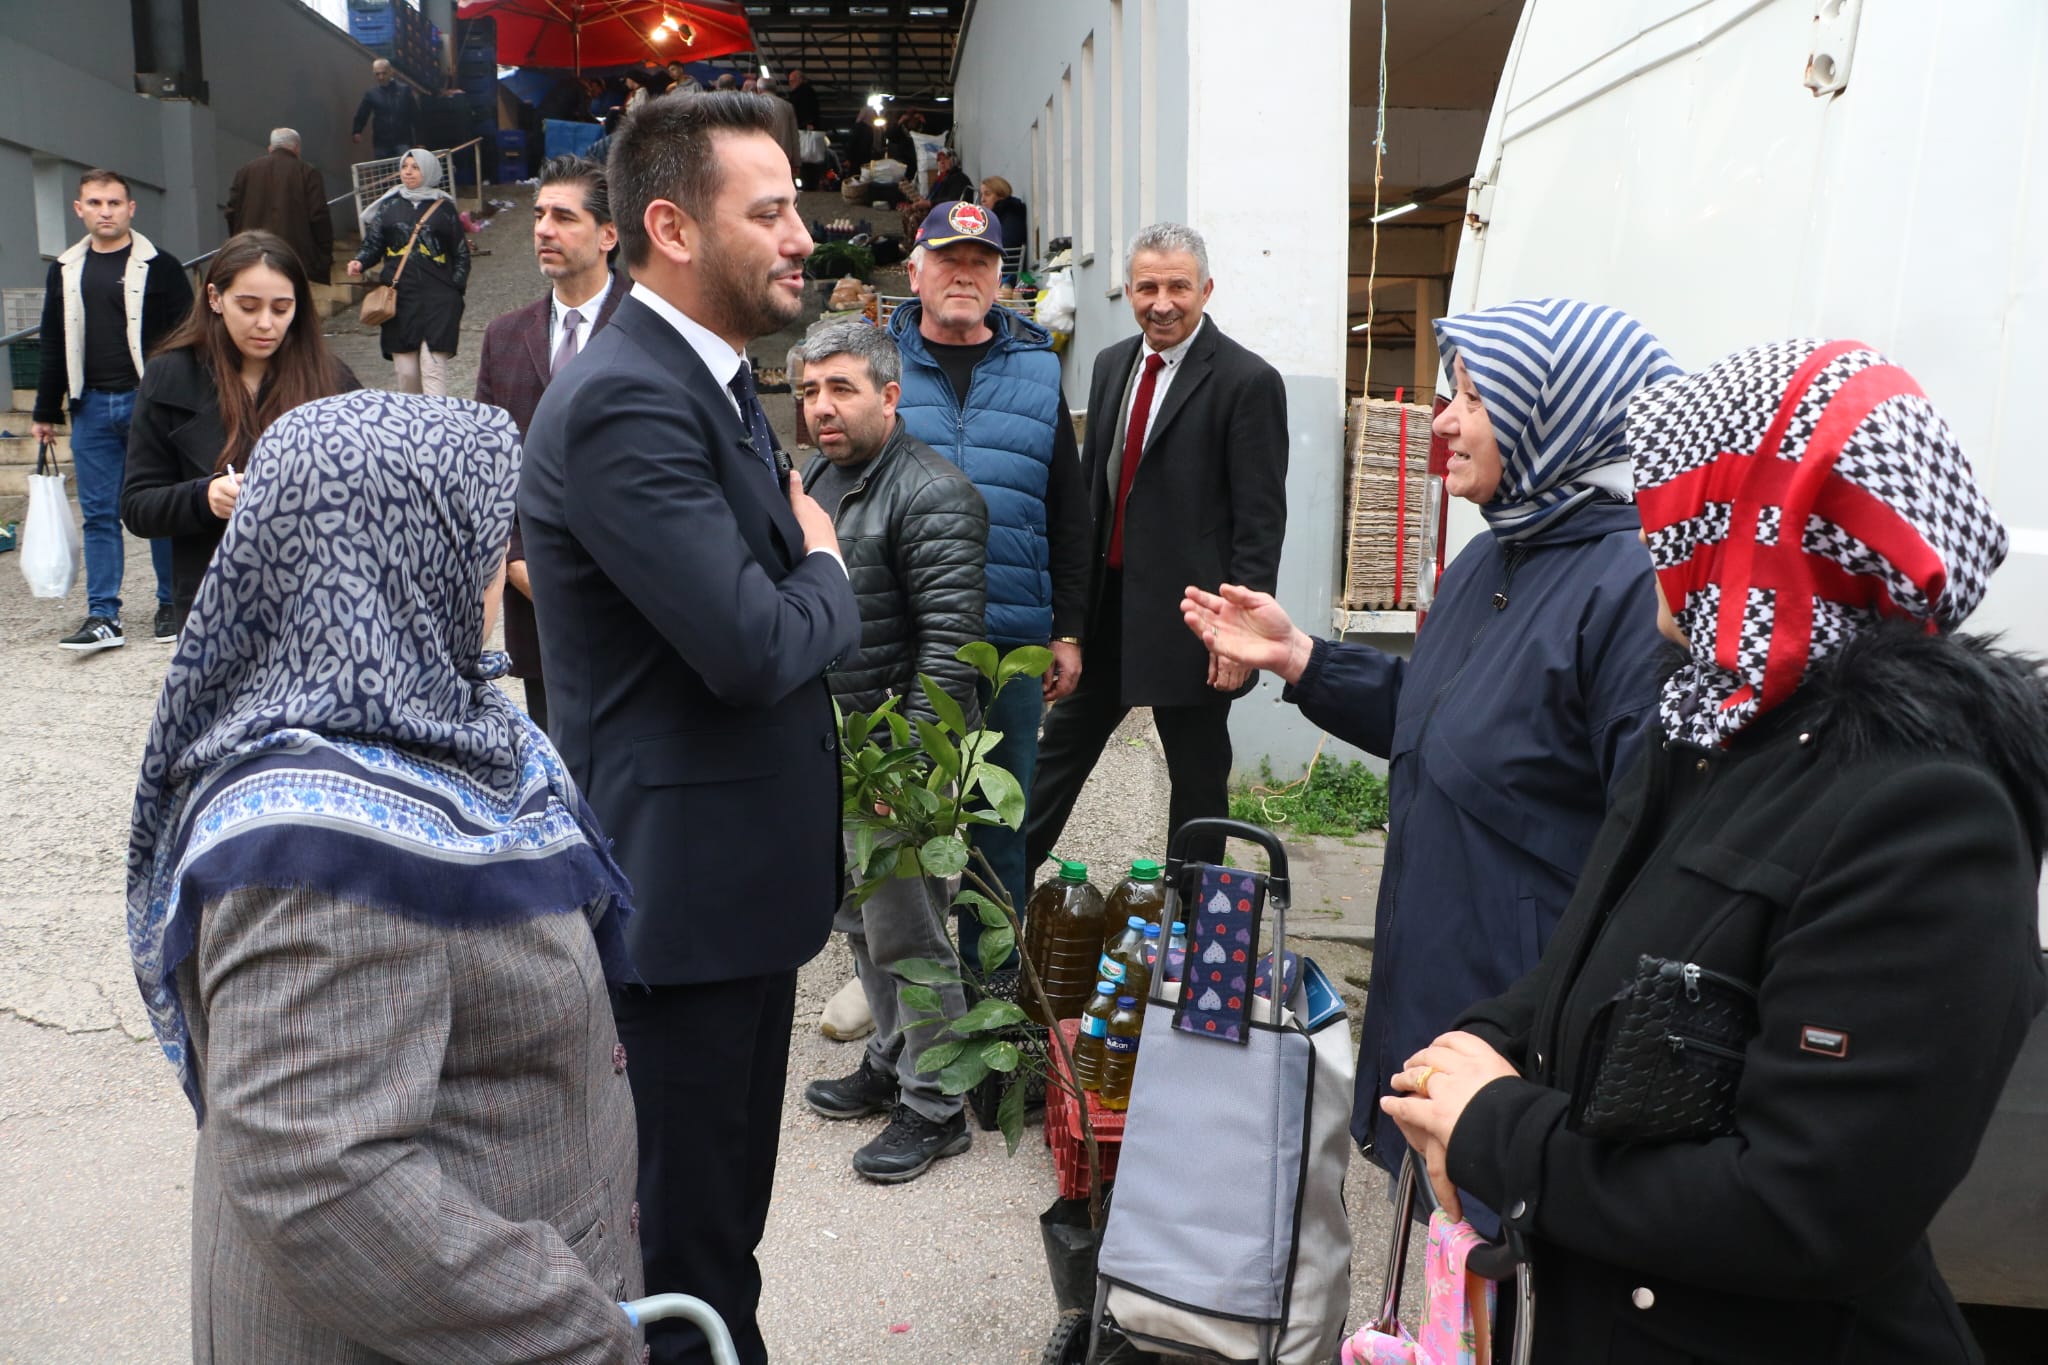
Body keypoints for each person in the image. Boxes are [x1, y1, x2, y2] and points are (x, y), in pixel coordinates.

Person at [1380, 339, 2048, 1364]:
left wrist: (1496, 1132)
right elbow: (1594, 961)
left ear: (1757, 532)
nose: (1647, 539)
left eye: (1671, 505)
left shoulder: (1925, 815)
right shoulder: (1713, 731)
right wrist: (1476, 1045)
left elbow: (1803, 1209)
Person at [127, 391, 645, 1362]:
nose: (500, 563)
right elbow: (320, 1180)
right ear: (393, 555)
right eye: (490, 531)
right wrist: (578, 1336)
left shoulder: (440, 734)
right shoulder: (312, 843)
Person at [1182, 298, 1681, 1202]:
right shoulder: (1496, 556)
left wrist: (1541, 1028)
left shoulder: (1630, 592)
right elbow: (1436, 719)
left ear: (1557, 412)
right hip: (1436, 979)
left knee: (1495, 1276)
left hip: (1519, 1017)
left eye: (1476, 399)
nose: (1443, 420)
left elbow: (1645, 847)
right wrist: (1298, 657)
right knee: (1435, 1252)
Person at [518, 91, 860, 1365]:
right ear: (668, 225)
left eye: (796, 208)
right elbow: (752, 646)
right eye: (766, 212)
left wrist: (799, 595)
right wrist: (824, 571)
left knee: (715, 1234)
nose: (802, 236)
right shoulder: (627, 399)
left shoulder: (702, 381)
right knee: (685, 1261)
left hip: (730, 902)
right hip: (679, 915)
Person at [1026, 223, 1287, 873]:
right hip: (1109, 615)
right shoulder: (1113, 364)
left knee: (1198, 791)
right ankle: (997, 907)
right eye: (1147, 286)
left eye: (1177, 286)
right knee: (1054, 764)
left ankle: (1191, 939)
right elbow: (1093, 497)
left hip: (1197, 624)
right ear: (1129, 291)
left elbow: (1259, 526)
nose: (1161, 302)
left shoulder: (1247, 382)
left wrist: (1238, 633)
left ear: (1206, 289)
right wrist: (1070, 623)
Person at [795, 320, 989, 1182]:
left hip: (898, 759)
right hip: (839, 753)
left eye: (841, 388)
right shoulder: (819, 479)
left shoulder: (933, 493)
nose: (821, 407)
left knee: (911, 935)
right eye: (808, 391)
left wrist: (906, 769)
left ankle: (938, 1104)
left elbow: (951, 651)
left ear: (890, 394)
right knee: (864, 926)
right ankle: (895, 1059)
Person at [887, 200, 1090, 952]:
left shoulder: (1039, 370)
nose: (963, 275)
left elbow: (1068, 513)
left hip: (1009, 641)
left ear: (1003, 279)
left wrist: (1066, 629)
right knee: (900, 826)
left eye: (980, 263)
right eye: (948, 259)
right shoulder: (877, 364)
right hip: (904, 636)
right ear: (916, 270)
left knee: (999, 830)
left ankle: (993, 1005)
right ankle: (908, 1019)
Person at [121, 231, 359, 634]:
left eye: (282, 308)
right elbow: (138, 506)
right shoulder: (169, 376)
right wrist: (205, 497)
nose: (266, 323)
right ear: (214, 298)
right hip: (214, 607)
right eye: (248, 307)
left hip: (319, 604)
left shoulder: (331, 379)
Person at [474, 154, 624, 732]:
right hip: (535, 596)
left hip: (634, 593)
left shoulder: (653, 324)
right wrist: (514, 558)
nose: (542, 229)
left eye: (563, 217)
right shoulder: (504, 337)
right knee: (556, 754)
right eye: (539, 215)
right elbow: (490, 467)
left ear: (608, 234)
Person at [31, 168, 190, 651]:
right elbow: (54, 343)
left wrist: (184, 402)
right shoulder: (64, 269)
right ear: (79, 209)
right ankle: (103, 615)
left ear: (130, 209)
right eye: (96, 203)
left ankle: (171, 605)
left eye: (115, 203)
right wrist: (45, 410)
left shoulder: (160, 265)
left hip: (150, 402)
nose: (106, 212)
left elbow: (188, 337)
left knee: (160, 506)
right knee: (99, 514)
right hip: (91, 405)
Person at [347, 148, 469, 396]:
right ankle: (412, 429)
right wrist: (360, 261)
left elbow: (461, 253)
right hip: (400, 298)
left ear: (429, 171)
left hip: (438, 298)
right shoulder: (389, 206)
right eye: (405, 167)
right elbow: (373, 243)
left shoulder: (443, 208)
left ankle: (438, 428)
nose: (408, 172)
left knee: (433, 370)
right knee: (407, 375)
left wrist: (454, 289)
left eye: (415, 167)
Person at [223, 129, 335, 285]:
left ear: (270, 148)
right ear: (297, 148)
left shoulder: (245, 172)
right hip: (294, 259)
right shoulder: (308, 173)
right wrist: (323, 257)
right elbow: (319, 216)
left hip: (252, 255)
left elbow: (231, 212)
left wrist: (240, 243)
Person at [351, 58, 418, 160]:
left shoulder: (404, 90)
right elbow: (362, 113)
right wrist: (357, 130)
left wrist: (420, 139)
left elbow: (415, 115)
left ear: (391, 72)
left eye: (383, 73)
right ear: (374, 74)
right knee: (384, 172)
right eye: (377, 74)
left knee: (404, 169)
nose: (381, 77)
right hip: (382, 142)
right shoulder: (371, 94)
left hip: (402, 140)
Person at [980, 175, 1028, 268]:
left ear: (1001, 196)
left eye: (987, 194)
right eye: (982, 194)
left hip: (1005, 273)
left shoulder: (1011, 214)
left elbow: (1007, 249)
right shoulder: (997, 217)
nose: (983, 200)